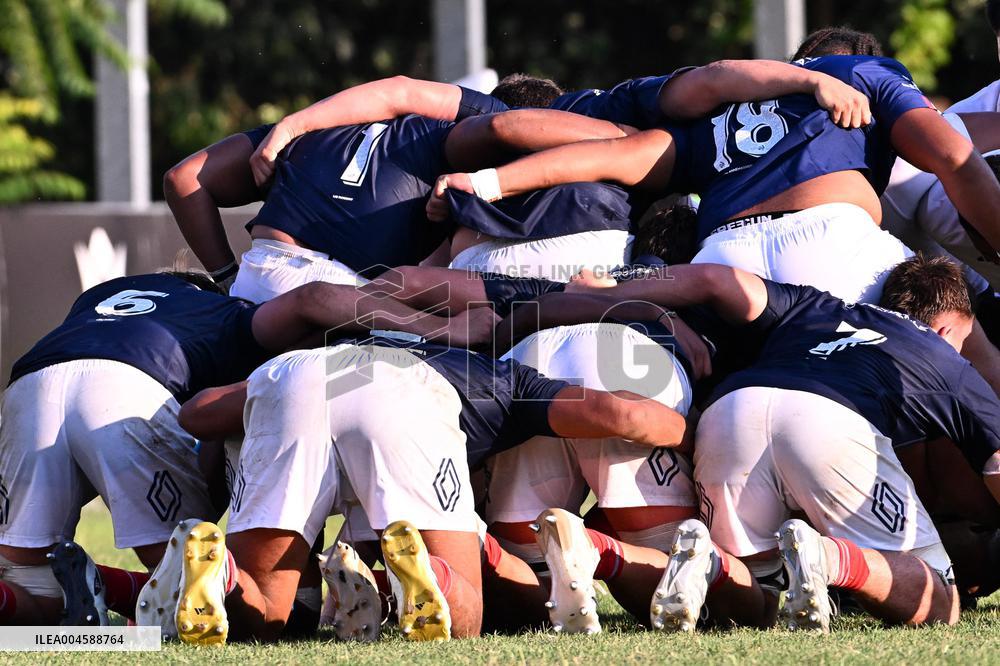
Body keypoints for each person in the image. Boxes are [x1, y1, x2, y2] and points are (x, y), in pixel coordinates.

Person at [0, 271, 493, 627]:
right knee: (192, 586)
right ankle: (139, 593)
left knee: (30, 587)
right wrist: (442, 330)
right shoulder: (224, 313)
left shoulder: (101, 294)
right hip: (130, 394)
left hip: (29, 385)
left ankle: (94, 593)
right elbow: (313, 299)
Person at [145, 331, 691, 644]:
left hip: (293, 375)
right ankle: (431, 575)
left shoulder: (343, 346)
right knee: (470, 615)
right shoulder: (506, 375)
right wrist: (685, 426)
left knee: (268, 617)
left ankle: (221, 570)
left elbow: (197, 413)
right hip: (408, 396)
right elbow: (614, 411)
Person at [560, 257, 1000, 632]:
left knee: (759, 599)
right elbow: (996, 465)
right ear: (945, 329)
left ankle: (691, 559)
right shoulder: (945, 359)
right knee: (941, 602)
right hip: (830, 420)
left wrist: (612, 285)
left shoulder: (817, 305)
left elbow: (712, 279)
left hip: (731, 410)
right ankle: (828, 558)